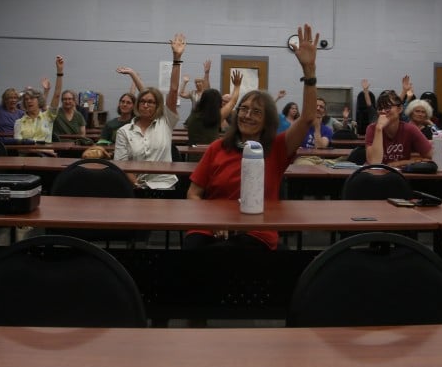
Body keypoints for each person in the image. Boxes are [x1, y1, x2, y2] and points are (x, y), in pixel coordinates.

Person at [185, 24, 319, 250]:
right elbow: (193, 194)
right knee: (193, 250)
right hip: (210, 225)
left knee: (226, 254)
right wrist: (213, 220)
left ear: (267, 121)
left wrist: (309, 72)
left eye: (256, 112)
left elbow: (307, 117)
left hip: (255, 229)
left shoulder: (277, 148)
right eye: (244, 109)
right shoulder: (217, 148)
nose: (247, 115)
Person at [114, 36, 183, 195]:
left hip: (165, 187)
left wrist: (177, 59)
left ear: (157, 106)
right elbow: (121, 163)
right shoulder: (124, 131)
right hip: (136, 187)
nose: (146, 104)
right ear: (137, 105)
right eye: (142, 101)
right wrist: (136, 183)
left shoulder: (165, 122)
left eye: (151, 102)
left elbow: (173, 89)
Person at [365, 90, 432, 167]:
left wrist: (401, 163)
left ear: (399, 109)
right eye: (380, 108)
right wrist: (379, 129)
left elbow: (431, 156)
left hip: (401, 176)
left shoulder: (410, 129)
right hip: (376, 177)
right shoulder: (372, 129)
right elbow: (374, 162)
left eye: (387, 107)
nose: (383, 111)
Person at [185, 70, 243, 145]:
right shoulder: (216, 117)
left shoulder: (193, 113)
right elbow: (233, 101)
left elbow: (206, 94)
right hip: (211, 154)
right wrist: (237, 86)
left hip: (192, 154)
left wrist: (206, 73)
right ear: (217, 103)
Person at [0, 65, 24, 134]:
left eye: (15, 98)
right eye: (10, 98)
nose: (13, 100)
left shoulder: (21, 113)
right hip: (2, 141)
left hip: (16, 141)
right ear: (5, 100)